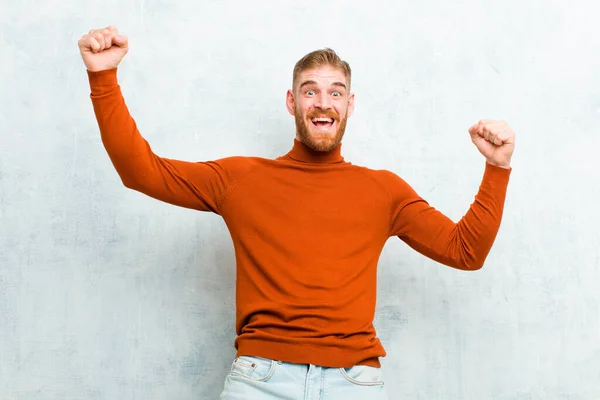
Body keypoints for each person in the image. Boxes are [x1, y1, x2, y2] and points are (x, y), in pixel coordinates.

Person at [78, 25, 514, 400]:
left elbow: (465, 251)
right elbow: (141, 172)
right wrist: (104, 77)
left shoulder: (383, 191)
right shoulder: (241, 179)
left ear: (349, 104)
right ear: (292, 102)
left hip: (354, 383)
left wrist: (497, 168)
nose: (323, 102)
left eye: (335, 92)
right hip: (260, 380)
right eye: (311, 91)